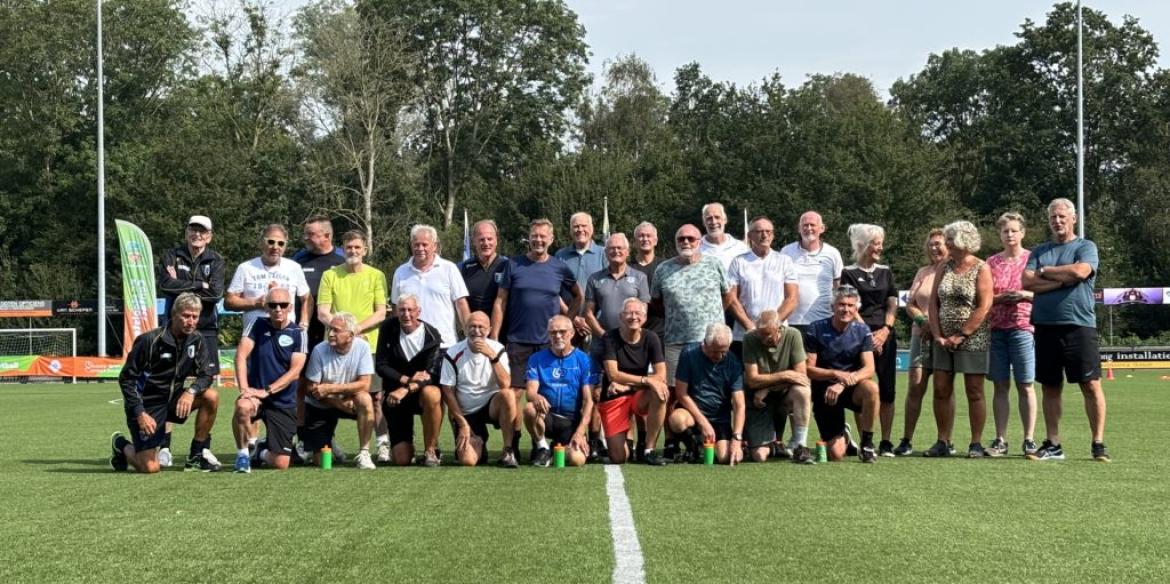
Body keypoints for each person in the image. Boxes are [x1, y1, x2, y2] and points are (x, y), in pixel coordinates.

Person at [1022, 198, 1110, 462]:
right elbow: (1028, 282)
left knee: (1090, 384)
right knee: (1050, 386)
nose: (1057, 221)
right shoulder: (1039, 250)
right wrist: (1063, 281)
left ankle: (1098, 442)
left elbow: (1082, 272)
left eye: (1061, 216)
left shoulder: (1086, 246)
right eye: (1052, 217)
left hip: (1079, 325)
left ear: (1073, 218)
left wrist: (1047, 272)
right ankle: (1053, 443)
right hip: (1045, 326)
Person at [109, 293, 222, 473]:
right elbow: (127, 379)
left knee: (211, 396)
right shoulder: (149, 340)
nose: (190, 321)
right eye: (186, 316)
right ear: (173, 313)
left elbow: (207, 374)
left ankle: (195, 456)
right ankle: (121, 445)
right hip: (148, 406)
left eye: (195, 317)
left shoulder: (197, 339)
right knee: (151, 467)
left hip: (174, 401)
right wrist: (139, 413)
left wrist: (191, 391)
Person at [155, 214, 225, 467]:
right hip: (173, 329)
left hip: (205, 330)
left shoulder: (216, 260)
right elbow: (165, 284)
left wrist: (183, 284)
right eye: (193, 229)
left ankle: (199, 450)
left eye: (202, 231)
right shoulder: (171, 255)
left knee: (207, 389)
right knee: (166, 384)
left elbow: (215, 294)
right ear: (186, 232)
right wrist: (199, 284)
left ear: (210, 236)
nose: (197, 234)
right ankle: (163, 447)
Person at [317, 230, 389, 459]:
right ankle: (329, 442)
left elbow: (380, 313)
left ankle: (382, 444)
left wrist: (356, 331)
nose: (353, 251)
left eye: (358, 247)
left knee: (375, 397)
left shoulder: (376, 275)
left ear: (365, 250)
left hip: (369, 345)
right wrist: (342, 331)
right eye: (349, 247)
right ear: (343, 249)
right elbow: (322, 312)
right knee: (328, 397)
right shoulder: (330, 276)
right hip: (335, 347)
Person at [492, 218, 583, 394]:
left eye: (543, 236)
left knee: (547, 393)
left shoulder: (559, 267)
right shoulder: (513, 264)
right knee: (513, 393)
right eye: (534, 236)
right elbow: (500, 301)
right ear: (529, 238)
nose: (538, 240)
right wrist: (494, 336)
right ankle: (513, 424)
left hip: (548, 342)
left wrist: (567, 323)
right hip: (518, 341)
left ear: (551, 239)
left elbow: (578, 295)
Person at [927, 221, 994, 458]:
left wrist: (961, 334)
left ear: (964, 241)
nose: (946, 245)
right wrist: (937, 334)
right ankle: (943, 441)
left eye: (950, 240)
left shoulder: (981, 267)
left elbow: (984, 306)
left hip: (972, 337)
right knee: (941, 389)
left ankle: (976, 443)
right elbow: (933, 304)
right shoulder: (944, 267)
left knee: (974, 390)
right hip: (942, 339)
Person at [583, 232, 650, 458]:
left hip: (631, 345)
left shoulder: (639, 278)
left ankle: (642, 442)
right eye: (611, 249)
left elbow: (644, 311)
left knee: (636, 393)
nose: (616, 252)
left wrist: (628, 334)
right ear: (606, 252)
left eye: (620, 248)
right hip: (602, 344)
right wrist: (604, 336)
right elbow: (589, 313)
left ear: (628, 251)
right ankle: (594, 442)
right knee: (597, 392)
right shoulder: (595, 278)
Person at [231, 288, 307, 473]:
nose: (278, 309)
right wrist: (245, 389)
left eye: (283, 305)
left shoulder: (298, 332)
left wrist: (267, 390)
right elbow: (240, 356)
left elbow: (295, 371)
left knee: (282, 463)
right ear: (266, 307)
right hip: (256, 396)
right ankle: (242, 456)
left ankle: (259, 452)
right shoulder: (257, 325)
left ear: (290, 307)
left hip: (282, 401)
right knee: (242, 406)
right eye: (273, 305)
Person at [839, 223, 898, 456]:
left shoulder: (885, 271)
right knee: (863, 386)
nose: (879, 247)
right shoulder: (848, 273)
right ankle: (866, 438)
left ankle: (885, 441)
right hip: (859, 336)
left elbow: (892, 302)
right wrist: (868, 335)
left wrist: (885, 330)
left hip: (885, 335)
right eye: (875, 243)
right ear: (862, 244)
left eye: (880, 242)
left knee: (888, 389)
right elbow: (850, 307)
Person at [893, 228, 953, 456]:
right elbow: (910, 303)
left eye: (938, 243)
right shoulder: (923, 271)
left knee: (943, 389)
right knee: (915, 386)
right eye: (931, 244)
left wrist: (936, 326)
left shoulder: (954, 271)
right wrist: (922, 319)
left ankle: (945, 440)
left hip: (944, 337)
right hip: (920, 334)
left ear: (948, 245)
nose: (934, 248)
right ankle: (907, 440)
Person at [804, 285, 880, 463]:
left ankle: (867, 445)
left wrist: (843, 383)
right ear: (833, 307)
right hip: (825, 391)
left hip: (851, 387)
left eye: (850, 305)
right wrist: (836, 374)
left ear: (856, 309)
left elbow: (869, 368)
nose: (846, 309)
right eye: (841, 304)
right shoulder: (815, 329)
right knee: (836, 455)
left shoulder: (863, 330)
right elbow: (809, 369)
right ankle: (843, 435)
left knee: (872, 388)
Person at [651, 224, 733, 386]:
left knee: (711, 389)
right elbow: (656, 303)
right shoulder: (662, 269)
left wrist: (711, 314)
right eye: (681, 239)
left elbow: (728, 296)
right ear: (676, 242)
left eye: (691, 239)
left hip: (710, 342)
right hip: (676, 341)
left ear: (700, 242)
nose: (686, 242)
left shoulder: (714, 264)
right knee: (674, 390)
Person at [986, 212, 1038, 457]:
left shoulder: (1033, 259)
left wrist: (1024, 295)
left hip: (1023, 327)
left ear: (1022, 233)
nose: (1009, 235)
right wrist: (999, 298)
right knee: (1000, 385)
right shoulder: (991, 262)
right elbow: (983, 296)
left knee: (1025, 384)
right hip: (996, 329)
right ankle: (1000, 438)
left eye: (1014, 230)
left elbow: (1043, 292)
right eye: (1005, 231)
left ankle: (1029, 438)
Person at [439, 311, 519, 467]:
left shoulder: (498, 348)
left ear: (489, 329)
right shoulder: (453, 352)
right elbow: (448, 392)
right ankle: (479, 441)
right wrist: (462, 423)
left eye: (481, 327)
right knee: (468, 461)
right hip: (467, 411)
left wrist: (492, 357)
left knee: (509, 395)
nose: (476, 331)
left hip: (491, 406)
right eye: (472, 326)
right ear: (465, 328)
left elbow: (505, 385)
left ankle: (508, 450)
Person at [374, 294, 445, 467]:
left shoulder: (432, 335)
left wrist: (405, 388)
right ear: (397, 312)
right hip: (394, 398)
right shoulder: (388, 328)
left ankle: (430, 449)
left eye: (410, 310)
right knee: (402, 460)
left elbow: (431, 375)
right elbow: (381, 366)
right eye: (402, 310)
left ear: (418, 311)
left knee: (433, 393)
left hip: (419, 393)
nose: (406, 314)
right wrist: (406, 379)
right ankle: (406, 444)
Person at [301, 312, 377, 470]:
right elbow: (310, 388)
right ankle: (329, 441)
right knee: (322, 461)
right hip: (321, 405)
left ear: (350, 335)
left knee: (365, 399)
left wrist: (331, 388)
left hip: (350, 400)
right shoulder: (319, 350)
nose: (331, 334)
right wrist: (337, 402)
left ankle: (364, 453)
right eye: (330, 329)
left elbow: (365, 384)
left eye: (336, 330)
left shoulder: (363, 347)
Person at [599, 298, 669, 466]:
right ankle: (627, 441)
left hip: (636, 393)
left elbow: (661, 375)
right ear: (621, 317)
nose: (633, 317)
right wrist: (645, 380)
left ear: (644, 318)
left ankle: (649, 450)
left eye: (638, 313)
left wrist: (630, 385)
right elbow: (613, 374)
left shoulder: (651, 337)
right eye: (629, 313)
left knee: (660, 390)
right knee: (619, 458)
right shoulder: (610, 337)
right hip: (614, 396)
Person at [666, 323, 745, 465]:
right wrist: (703, 423)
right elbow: (681, 393)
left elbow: (739, 403)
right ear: (705, 343)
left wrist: (737, 438)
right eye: (715, 351)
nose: (720, 356)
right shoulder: (688, 353)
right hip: (693, 413)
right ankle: (695, 446)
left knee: (725, 458)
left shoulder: (733, 362)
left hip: (720, 418)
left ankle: (710, 445)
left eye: (724, 351)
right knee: (676, 420)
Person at [742, 310, 814, 463]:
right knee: (760, 457)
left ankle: (800, 445)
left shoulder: (793, 335)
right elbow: (752, 380)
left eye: (767, 334)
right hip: (758, 402)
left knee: (803, 391)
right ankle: (770, 444)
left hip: (782, 395)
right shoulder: (750, 338)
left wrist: (767, 387)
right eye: (760, 334)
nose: (763, 339)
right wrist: (785, 375)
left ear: (779, 328)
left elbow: (801, 376)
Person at [524, 316, 595, 467]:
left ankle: (556, 447)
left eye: (562, 332)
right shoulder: (536, 358)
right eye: (553, 332)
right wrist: (536, 396)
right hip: (547, 416)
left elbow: (588, 401)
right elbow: (530, 392)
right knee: (529, 408)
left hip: (570, 421)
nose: (557, 336)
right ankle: (542, 447)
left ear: (571, 333)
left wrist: (580, 432)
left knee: (577, 460)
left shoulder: (584, 360)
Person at [390, 224, 471, 348]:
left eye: (424, 244)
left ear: (435, 246)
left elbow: (461, 304)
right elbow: (396, 308)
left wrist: (469, 335)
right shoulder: (401, 272)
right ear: (411, 245)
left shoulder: (449, 268)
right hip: (410, 345)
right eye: (416, 244)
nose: (420, 248)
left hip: (444, 344)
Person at [728, 216, 799, 350]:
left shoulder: (785, 261)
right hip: (745, 334)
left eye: (768, 231)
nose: (764, 235)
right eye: (759, 231)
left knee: (780, 371)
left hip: (778, 333)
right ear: (749, 235)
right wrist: (750, 326)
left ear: (773, 235)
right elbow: (732, 299)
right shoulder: (738, 262)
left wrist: (773, 325)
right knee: (747, 371)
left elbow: (792, 298)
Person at [225, 224, 312, 331]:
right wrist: (255, 303)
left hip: (286, 334)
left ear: (285, 246)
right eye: (271, 242)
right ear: (262, 243)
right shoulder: (245, 268)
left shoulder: (294, 268)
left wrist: (304, 322)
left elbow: (307, 298)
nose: (275, 247)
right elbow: (229, 302)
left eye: (280, 243)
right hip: (254, 335)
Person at [780, 211, 844, 333]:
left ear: (822, 228)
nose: (808, 228)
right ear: (799, 229)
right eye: (805, 225)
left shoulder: (833, 253)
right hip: (792, 321)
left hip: (824, 320)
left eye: (812, 225)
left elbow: (839, 288)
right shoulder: (786, 252)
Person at [292, 216, 345, 349]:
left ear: (326, 236)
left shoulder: (343, 258)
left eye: (310, 234)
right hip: (304, 326)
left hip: (333, 328)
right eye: (305, 234)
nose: (305, 238)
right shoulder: (299, 258)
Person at [460, 219, 509, 336]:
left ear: (496, 240)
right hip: (474, 332)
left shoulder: (507, 265)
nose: (486, 243)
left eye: (489, 239)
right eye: (481, 240)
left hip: (501, 334)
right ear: (474, 242)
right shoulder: (463, 268)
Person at [628, 221, 666, 339]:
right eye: (641, 236)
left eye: (648, 236)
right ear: (635, 242)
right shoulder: (627, 268)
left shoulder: (665, 266)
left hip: (661, 330)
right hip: (632, 329)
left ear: (655, 240)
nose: (645, 239)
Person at [698, 202, 749, 269]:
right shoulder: (697, 248)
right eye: (709, 218)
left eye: (717, 217)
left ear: (725, 220)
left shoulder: (740, 247)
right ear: (704, 223)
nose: (714, 222)